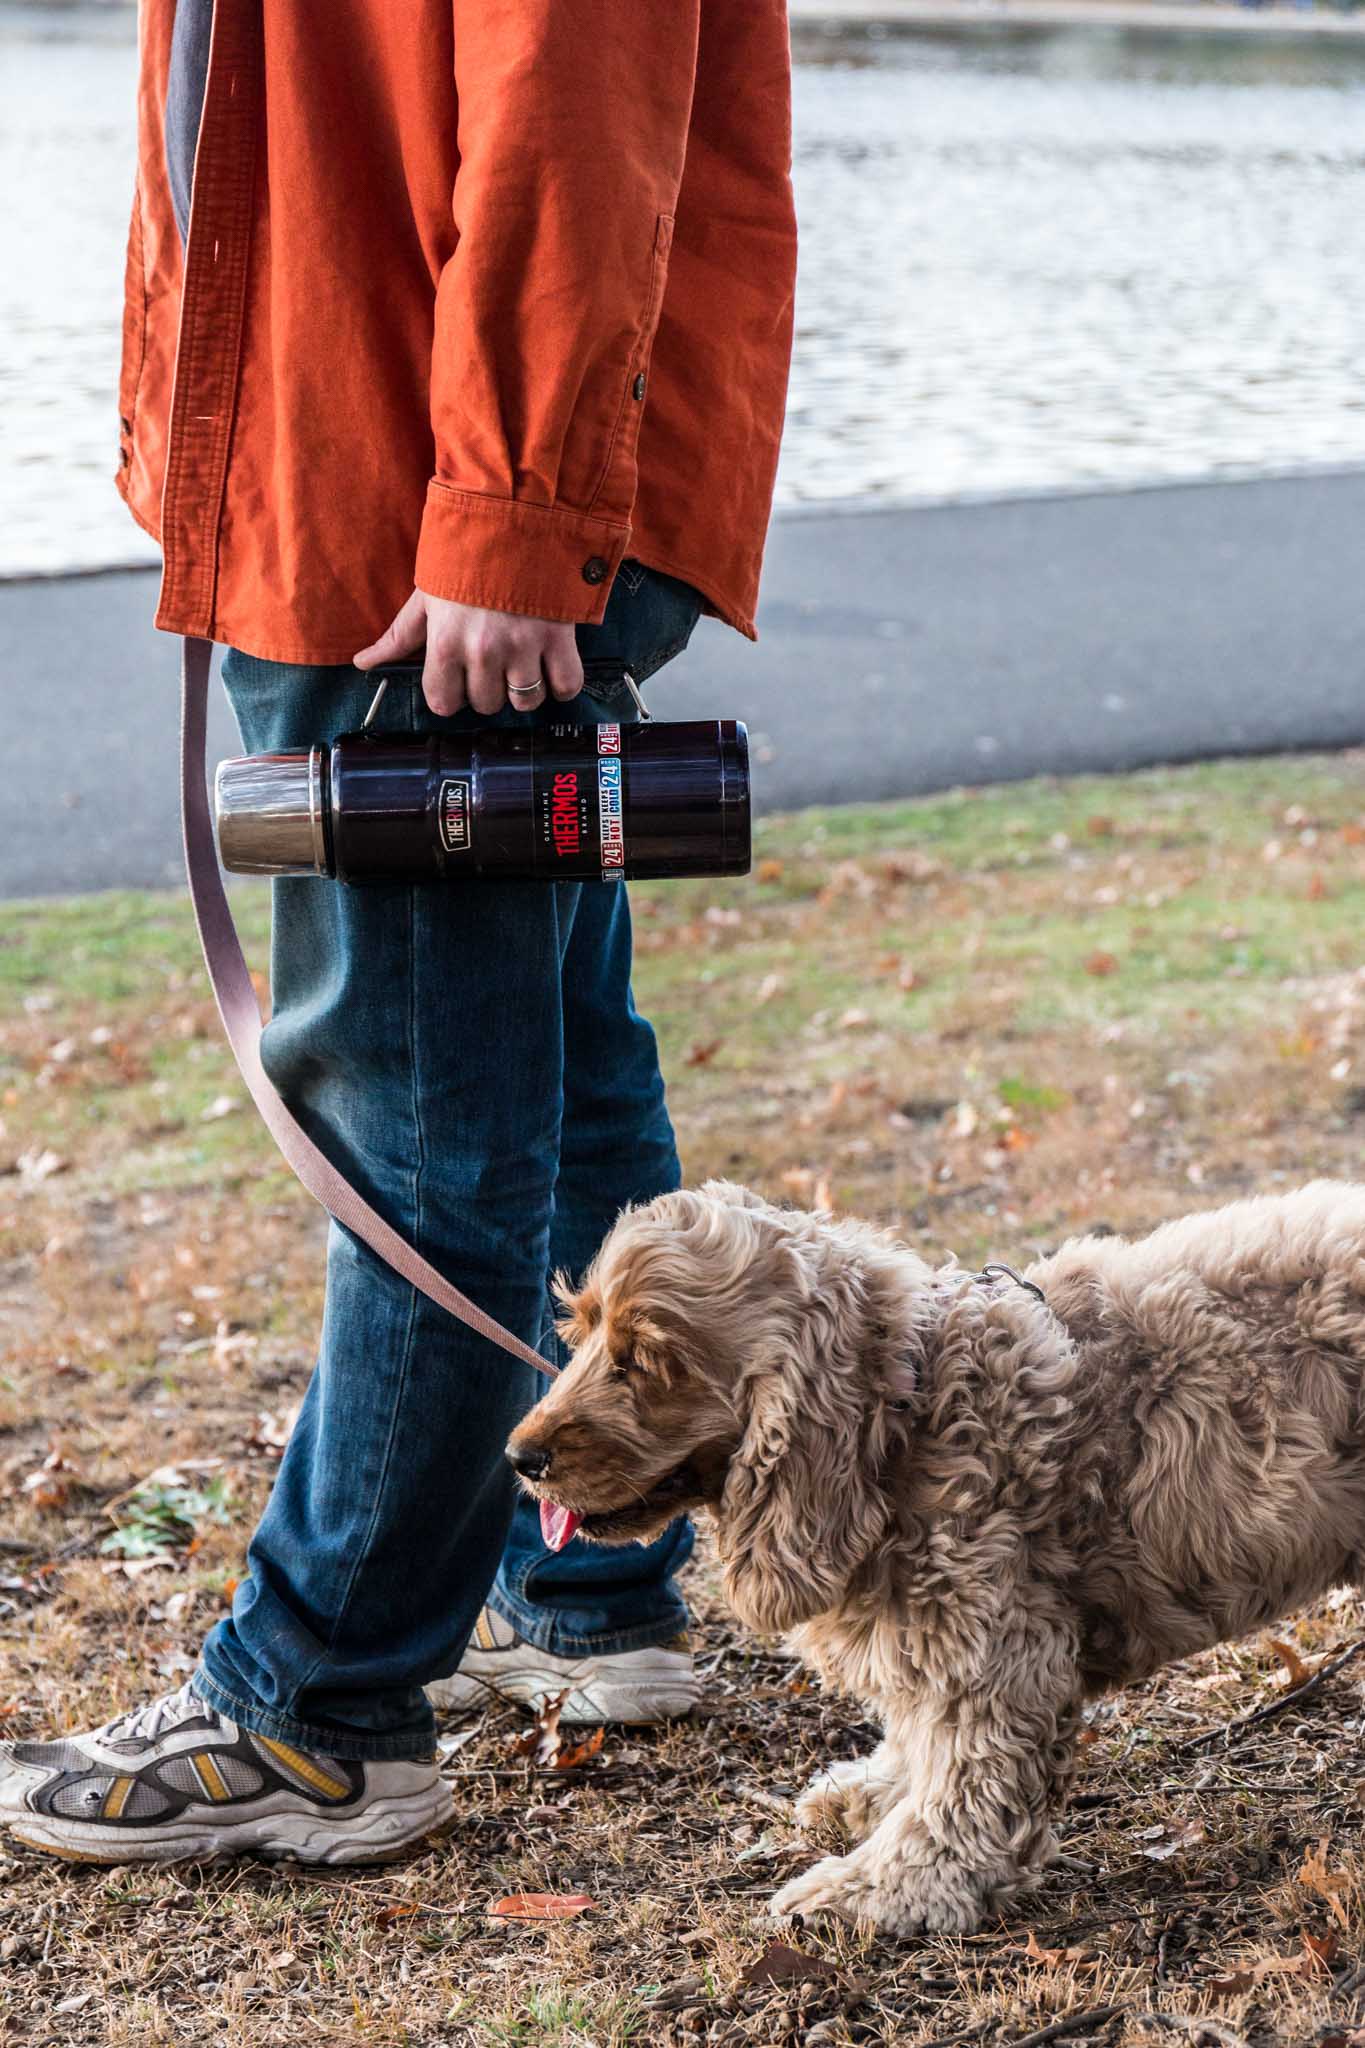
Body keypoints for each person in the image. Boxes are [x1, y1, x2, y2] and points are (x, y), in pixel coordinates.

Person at [0, 1, 796, 1864]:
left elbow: (567, 113)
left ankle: (328, 1702)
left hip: (417, 510)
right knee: (557, 1055)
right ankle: (590, 1590)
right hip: (376, 455)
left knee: (421, 1101)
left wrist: (507, 519)